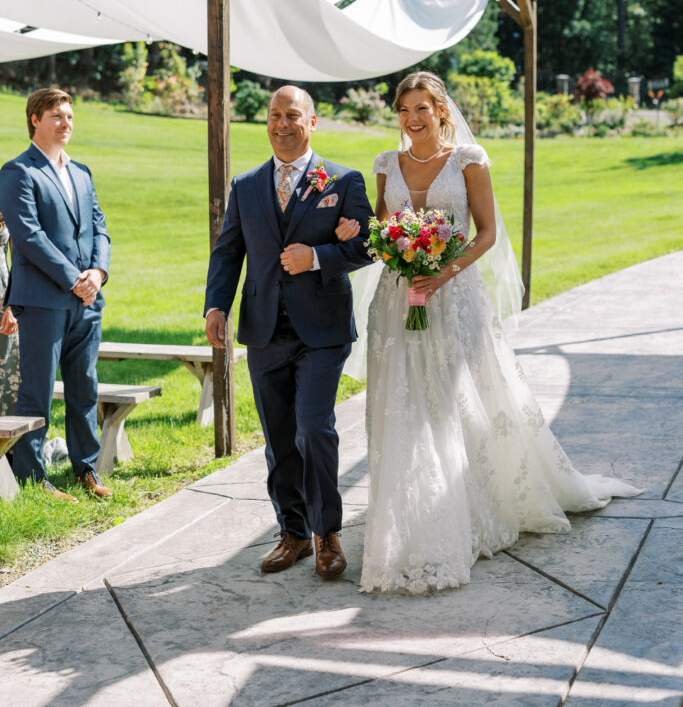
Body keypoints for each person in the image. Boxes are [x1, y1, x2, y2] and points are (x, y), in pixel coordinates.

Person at [342, 70, 640, 595]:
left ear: (441, 110)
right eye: (404, 111)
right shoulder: (386, 164)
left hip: (453, 296)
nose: (413, 120)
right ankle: (408, 508)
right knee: (404, 403)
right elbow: (385, 229)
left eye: (422, 109)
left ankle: (468, 505)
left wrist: (443, 270)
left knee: (457, 400)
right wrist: (372, 239)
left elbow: (486, 234)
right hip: (399, 301)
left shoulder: (468, 161)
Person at [204, 85, 373, 578]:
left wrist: (317, 257)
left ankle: (327, 534)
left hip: (321, 331)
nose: (282, 124)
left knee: (312, 428)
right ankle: (293, 533)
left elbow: (368, 246)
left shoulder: (343, 181)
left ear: (312, 121)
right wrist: (217, 304)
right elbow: (228, 251)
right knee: (279, 438)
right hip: (263, 331)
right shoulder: (247, 185)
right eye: (275, 115)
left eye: (292, 115)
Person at [0, 88, 112, 502]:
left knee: (85, 386)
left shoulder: (82, 172)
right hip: (44, 300)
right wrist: (73, 279)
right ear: (35, 119)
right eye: (57, 116)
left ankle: (87, 467)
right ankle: (32, 477)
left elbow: (100, 227)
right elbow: (29, 237)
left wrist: (98, 273)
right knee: (37, 390)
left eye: (69, 116)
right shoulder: (17, 172)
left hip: (87, 301)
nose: (66, 123)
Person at [0, 211, 21, 416]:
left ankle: (11, 446)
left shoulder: (6, 189)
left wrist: (13, 304)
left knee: (7, 380)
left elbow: (19, 258)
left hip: (2, 300)